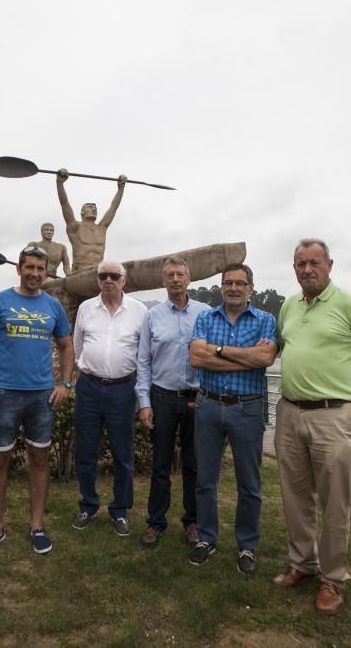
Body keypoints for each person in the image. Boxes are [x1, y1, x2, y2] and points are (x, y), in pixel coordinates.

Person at [0, 246, 73, 555]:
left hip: (42, 396)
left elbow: (67, 347)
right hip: (4, 393)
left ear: (45, 272)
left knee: (39, 459)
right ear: (19, 269)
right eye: (28, 267)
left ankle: (37, 526)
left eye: (39, 269)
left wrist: (65, 383)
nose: (34, 273)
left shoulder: (53, 306)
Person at [273, 239, 351, 616]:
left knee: (335, 501)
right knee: (294, 494)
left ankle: (333, 579)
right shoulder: (288, 305)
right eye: (300, 263)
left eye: (314, 263)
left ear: (329, 265)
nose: (306, 269)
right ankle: (303, 563)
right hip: (289, 411)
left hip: (333, 414)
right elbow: (275, 348)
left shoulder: (345, 303)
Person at [189, 263, 277, 573]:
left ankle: (247, 545)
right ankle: (206, 538)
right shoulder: (205, 317)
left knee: (250, 484)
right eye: (228, 283)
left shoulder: (266, 319)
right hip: (208, 405)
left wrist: (220, 352)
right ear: (222, 287)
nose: (234, 288)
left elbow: (265, 358)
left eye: (241, 283)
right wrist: (245, 357)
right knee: (205, 480)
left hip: (248, 408)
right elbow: (197, 357)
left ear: (251, 288)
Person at [72, 259, 147, 536]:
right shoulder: (85, 309)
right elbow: (78, 345)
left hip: (122, 389)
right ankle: (88, 505)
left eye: (114, 276)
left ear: (124, 280)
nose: (108, 280)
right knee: (85, 451)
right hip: (89, 388)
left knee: (123, 453)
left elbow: (144, 353)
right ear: (98, 280)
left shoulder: (139, 311)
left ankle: (120, 510)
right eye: (103, 275)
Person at [136, 257, 207, 548]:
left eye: (180, 274)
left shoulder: (205, 313)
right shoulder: (152, 316)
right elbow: (143, 361)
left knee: (194, 464)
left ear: (189, 278)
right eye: (170, 275)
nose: (175, 279)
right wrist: (144, 401)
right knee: (161, 464)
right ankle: (155, 522)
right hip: (162, 397)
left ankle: (193, 522)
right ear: (163, 281)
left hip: (196, 399)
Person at [56, 169, 127, 272]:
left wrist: (121, 188)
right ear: (82, 212)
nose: (93, 209)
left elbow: (113, 207)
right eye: (89, 207)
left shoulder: (102, 227)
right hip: (80, 271)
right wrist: (60, 183)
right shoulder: (75, 227)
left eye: (95, 208)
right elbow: (64, 203)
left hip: (99, 271)